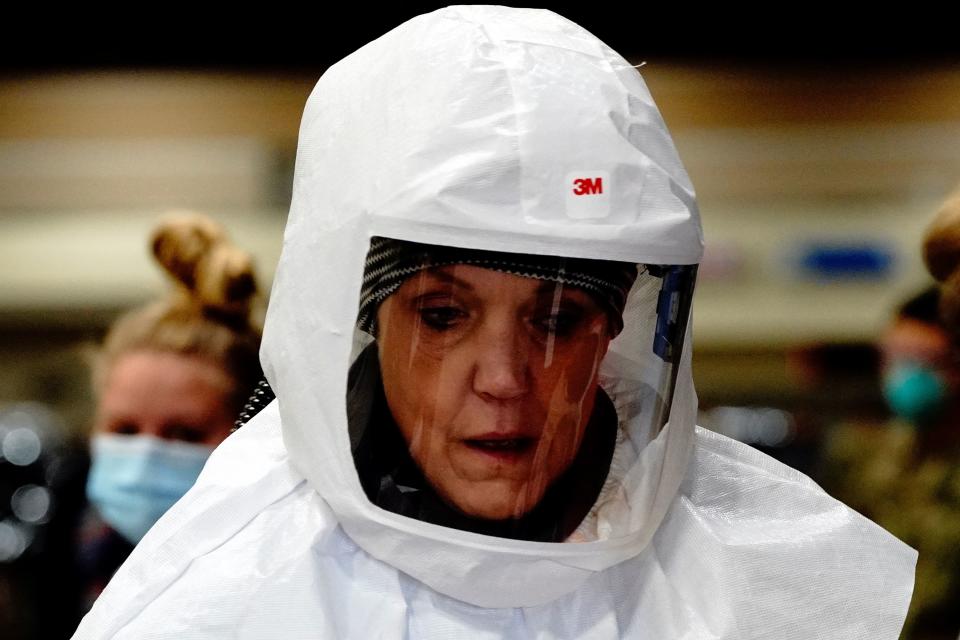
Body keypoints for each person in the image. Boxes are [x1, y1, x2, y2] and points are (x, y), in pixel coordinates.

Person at [73, 7, 915, 639]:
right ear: (356, 320)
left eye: (560, 316)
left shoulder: (764, 587)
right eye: (442, 315)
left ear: (615, 331)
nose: (507, 378)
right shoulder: (221, 603)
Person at [77, 213, 262, 615]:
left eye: (184, 433)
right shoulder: (74, 565)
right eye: (124, 430)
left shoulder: (284, 585)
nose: (145, 453)